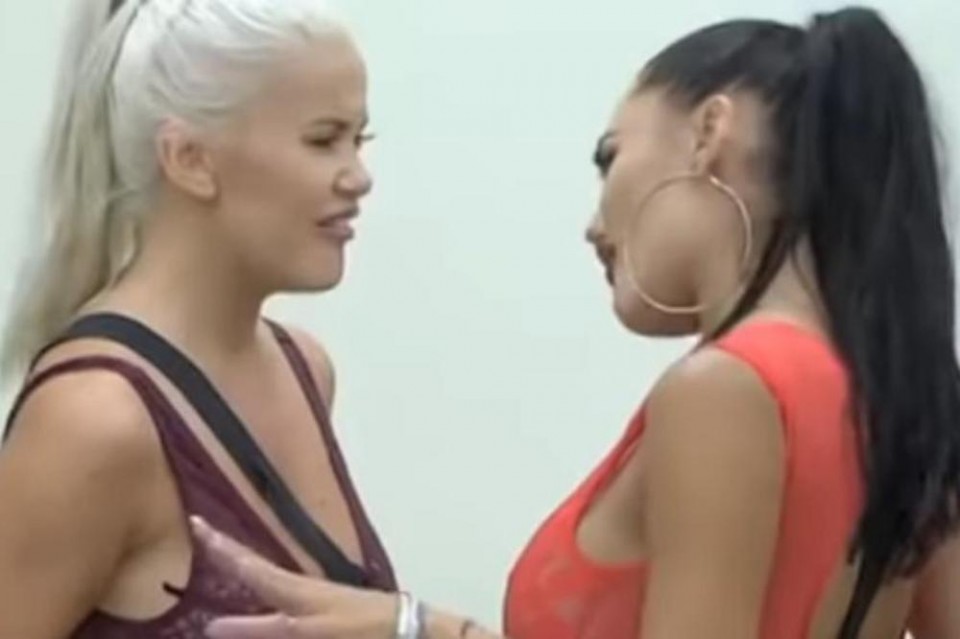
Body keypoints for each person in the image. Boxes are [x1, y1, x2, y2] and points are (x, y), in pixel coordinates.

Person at [193, 6, 960, 639]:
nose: (594, 224)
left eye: (609, 156)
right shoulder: (906, 400)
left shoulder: (726, 390)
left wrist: (428, 630)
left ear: (708, 133)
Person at [0, 0, 398, 637]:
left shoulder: (304, 370)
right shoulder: (97, 419)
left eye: (360, 140)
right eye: (324, 140)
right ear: (189, 158)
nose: (358, 178)